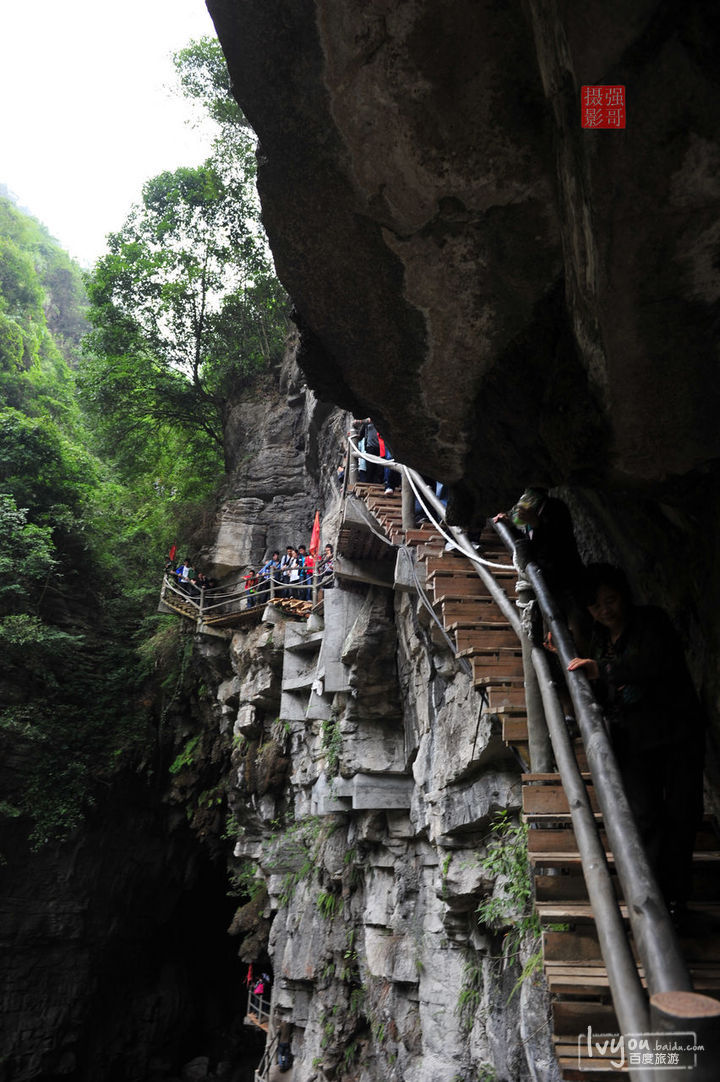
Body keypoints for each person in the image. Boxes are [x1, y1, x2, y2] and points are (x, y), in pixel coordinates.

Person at [567, 564, 705, 926]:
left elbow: (655, 662)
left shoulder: (650, 622)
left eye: (610, 600)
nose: (604, 610)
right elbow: (600, 688)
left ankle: (675, 900)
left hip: (675, 734)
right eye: (595, 606)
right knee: (644, 817)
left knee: (680, 815)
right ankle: (653, 900)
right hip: (634, 740)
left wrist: (605, 671)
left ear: (624, 595)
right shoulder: (599, 640)